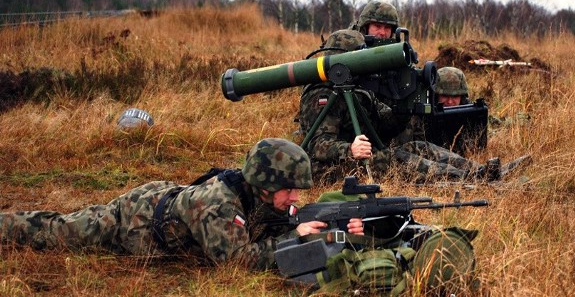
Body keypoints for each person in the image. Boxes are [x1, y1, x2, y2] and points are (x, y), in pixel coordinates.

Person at [0, 138, 365, 270]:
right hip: (132, 221)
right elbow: (238, 261)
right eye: (290, 189)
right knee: (59, 231)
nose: (296, 198)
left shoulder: (260, 197)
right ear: (267, 185)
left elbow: (274, 223)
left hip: (169, 197)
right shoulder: (218, 206)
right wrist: (297, 237)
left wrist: (333, 231)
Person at [299, 28, 511, 185]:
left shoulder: (358, 89)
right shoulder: (322, 94)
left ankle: (483, 170)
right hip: (332, 168)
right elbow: (318, 144)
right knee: (397, 158)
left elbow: (383, 124)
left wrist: (404, 109)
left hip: (361, 158)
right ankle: (473, 179)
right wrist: (350, 149)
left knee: (419, 147)